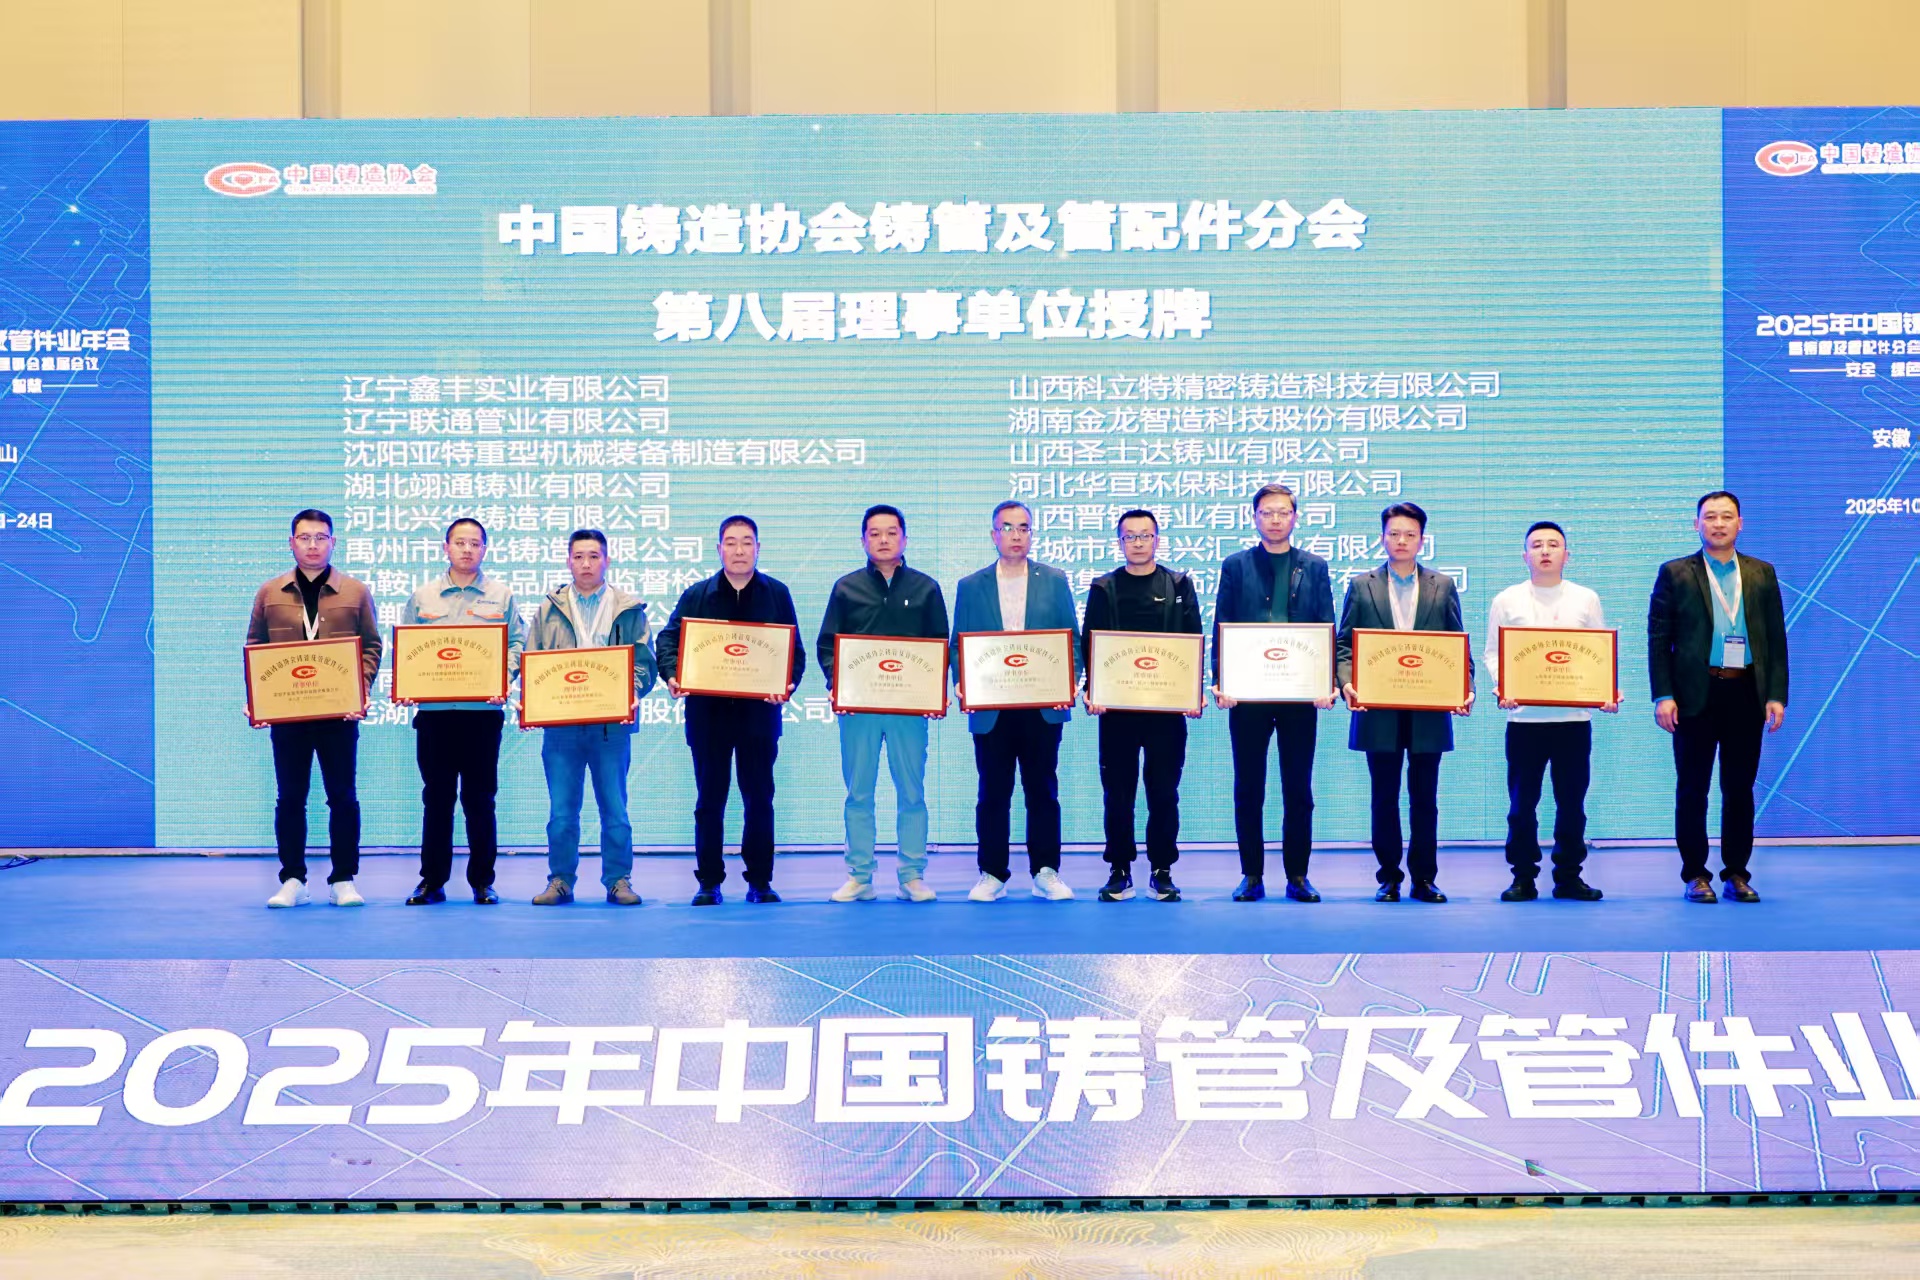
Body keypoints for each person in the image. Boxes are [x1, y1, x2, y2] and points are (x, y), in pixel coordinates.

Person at [655, 515, 804, 906]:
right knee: (709, 801)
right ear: (719, 548)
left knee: (759, 799)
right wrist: (672, 674)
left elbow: (794, 652)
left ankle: (760, 881)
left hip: (759, 716)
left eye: (747, 542)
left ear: (758, 548)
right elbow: (668, 639)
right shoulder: (697, 595)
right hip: (709, 716)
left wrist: (787, 684)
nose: (739, 550)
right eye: (732, 542)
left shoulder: (777, 594)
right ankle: (709, 882)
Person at [1648, 491, 1788, 904]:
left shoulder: (1762, 572)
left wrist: (1776, 694)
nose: (1718, 524)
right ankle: (1695, 874)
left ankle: (1737, 873)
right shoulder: (1675, 572)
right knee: (1692, 788)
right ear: (1697, 524)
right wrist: (1663, 694)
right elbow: (1658, 640)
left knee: (1739, 788)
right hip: (1694, 695)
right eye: (1710, 517)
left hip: (1746, 691)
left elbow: (1775, 638)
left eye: (1727, 516)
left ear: (1740, 523)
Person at [1335, 502, 1474, 903]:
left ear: (1421, 540)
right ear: (1382, 538)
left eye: (1409, 534)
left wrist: (1464, 686)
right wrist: (1347, 683)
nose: (1401, 541)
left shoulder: (1442, 585)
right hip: (1377, 707)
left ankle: (1425, 879)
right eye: (1394, 534)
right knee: (1384, 797)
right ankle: (1389, 877)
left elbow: (1456, 645)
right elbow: (1344, 645)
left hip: (1428, 708)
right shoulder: (1361, 585)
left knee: (1425, 798)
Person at [246, 509, 383, 909]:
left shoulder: (354, 592)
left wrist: (360, 689)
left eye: (321, 537)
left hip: (339, 714)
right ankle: (293, 879)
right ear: (291, 542)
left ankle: (343, 878)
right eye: (304, 537)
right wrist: (258, 698)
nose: (312, 545)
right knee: (290, 798)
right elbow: (255, 647)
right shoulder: (270, 592)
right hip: (288, 715)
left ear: (333, 543)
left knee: (343, 796)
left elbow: (371, 645)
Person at [816, 504, 949, 903]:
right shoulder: (846, 588)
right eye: (875, 534)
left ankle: (912, 876)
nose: (884, 540)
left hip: (909, 710)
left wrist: (934, 689)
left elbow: (940, 645)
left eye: (892, 532)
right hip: (860, 709)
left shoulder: (926, 588)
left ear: (905, 538)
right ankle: (860, 876)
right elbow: (828, 645)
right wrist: (837, 685)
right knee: (859, 793)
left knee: (912, 792)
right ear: (863, 541)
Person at [1212, 483, 1336, 904]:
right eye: (1267, 512)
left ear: (1295, 517)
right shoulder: (1236, 565)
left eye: (1283, 512)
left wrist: (1326, 682)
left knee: (1298, 789)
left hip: (1300, 695)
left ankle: (1298, 876)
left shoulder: (1314, 566)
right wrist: (1222, 680)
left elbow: (1325, 624)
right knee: (1249, 788)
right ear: (1255, 518)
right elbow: (1223, 624)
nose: (1276, 519)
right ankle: (1251, 875)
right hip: (1248, 695)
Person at [950, 500, 1080, 903]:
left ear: (1032, 534)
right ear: (994, 535)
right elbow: (958, 645)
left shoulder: (1054, 580)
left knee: (1042, 791)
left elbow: (1072, 642)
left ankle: (1046, 872)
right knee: (993, 792)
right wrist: (962, 682)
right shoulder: (970, 586)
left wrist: (1067, 683)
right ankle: (992, 873)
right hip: (991, 708)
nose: (1016, 535)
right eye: (1007, 527)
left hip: (1042, 706)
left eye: (1024, 527)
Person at [391, 517, 524, 906]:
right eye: (460, 542)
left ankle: (483, 881)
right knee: (437, 799)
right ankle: (432, 881)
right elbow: (407, 650)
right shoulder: (423, 597)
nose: (467, 549)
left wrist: (502, 676)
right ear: (445, 548)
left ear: (485, 549)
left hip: (482, 714)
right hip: (435, 715)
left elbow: (517, 644)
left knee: (480, 800)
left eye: (475, 543)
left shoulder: (501, 596)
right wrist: (407, 685)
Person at [1484, 521, 1616, 903]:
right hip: (1524, 720)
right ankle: (1522, 877)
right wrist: (1504, 686)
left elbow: (1598, 653)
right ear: (1524, 555)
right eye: (1537, 545)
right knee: (1521, 806)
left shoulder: (1586, 599)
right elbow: (1493, 653)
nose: (1545, 551)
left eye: (1553, 545)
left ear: (1566, 555)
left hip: (1573, 721)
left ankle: (1569, 877)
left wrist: (1605, 691)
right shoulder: (1507, 599)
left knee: (1572, 805)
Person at [524, 529, 657, 906]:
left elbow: (644, 662)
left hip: (610, 727)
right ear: (568, 561)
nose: (586, 563)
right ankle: (560, 880)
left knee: (614, 809)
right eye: (579, 556)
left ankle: (619, 880)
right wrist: (532, 700)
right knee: (561, 813)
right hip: (561, 727)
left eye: (594, 556)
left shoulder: (628, 608)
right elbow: (533, 660)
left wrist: (632, 693)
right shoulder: (548, 609)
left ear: (607, 560)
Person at [1082, 509, 1204, 903]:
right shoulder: (1104, 587)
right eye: (1130, 536)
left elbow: (1193, 639)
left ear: (1157, 539)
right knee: (1118, 794)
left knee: (1164, 793)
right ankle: (1119, 869)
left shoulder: (1179, 584)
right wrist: (1092, 690)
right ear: (1119, 542)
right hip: (1117, 711)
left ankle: (1161, 869)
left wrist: (1193, 691)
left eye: (1145, 535)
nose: (1137, 543)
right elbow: (1090, 643)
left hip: (1166, 710)